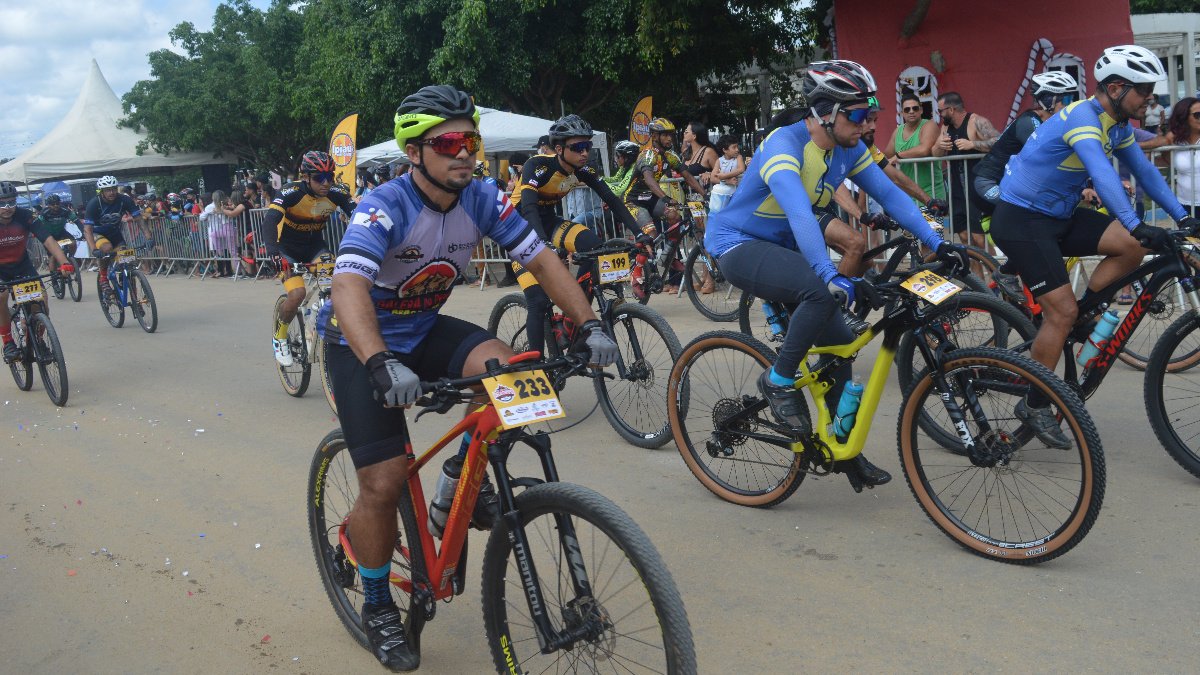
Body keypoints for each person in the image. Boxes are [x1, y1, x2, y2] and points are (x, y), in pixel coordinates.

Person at [318, 85, 617, 672]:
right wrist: (380, 364)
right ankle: (378, 603)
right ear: (414, 152)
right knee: (382, 482)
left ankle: (460, 480)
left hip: (424, 328)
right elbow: (348, 286)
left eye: (470, 140)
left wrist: (588, 324)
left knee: (511, 374)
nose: (465, 152)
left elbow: (541, 260)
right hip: (362, 344)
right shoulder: (385, 205)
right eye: (449, 142)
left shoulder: (482, 197)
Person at [705, 60, 966, 489]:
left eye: (869, 113)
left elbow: (891, 197)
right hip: (738, 242)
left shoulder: (847, 148)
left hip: (784, 245)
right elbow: (799, 214)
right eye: (859, 114)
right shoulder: (783, 147)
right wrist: (828, 273)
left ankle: (842, 450)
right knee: (817, 291)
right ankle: (778, 380)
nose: (867, 125)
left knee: (840, 348)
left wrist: (939, 241)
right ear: (826, 112)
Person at [991, 45, 1198, 447]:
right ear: (1117, 87)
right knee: (1061, 312)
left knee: (1129, 247)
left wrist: (1182, 216)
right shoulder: (1083, 120)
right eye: (1144, 90)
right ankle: (1034, 403)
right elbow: (1104, 177)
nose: (1149, 98)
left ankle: (1087, 310)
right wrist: (1138, 223)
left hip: (1059, 214)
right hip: (1022, 220)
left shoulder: (1117, 124)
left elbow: (1145, 174)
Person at [510, 114, 651, 355]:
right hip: (520, 229)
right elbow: (530, 208)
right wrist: (542, 244)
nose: (584, 152)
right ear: (559, 148)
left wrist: (640, 233)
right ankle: (532, 367)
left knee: (595, 249)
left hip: (549, 222)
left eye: (588, 146)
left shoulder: (583, 169)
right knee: (538, 300)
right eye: (578, 147)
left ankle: (571, 322)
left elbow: (612, 200)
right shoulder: (538, 165)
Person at [971, 71, 1079, 300]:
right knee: (1020, 217)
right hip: (986, 181)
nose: (1071, 105)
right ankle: (1006, 272)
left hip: (1007, 184)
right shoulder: (1029, 122)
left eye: (1073, 99)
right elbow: (1053, 156)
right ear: (1048, 100)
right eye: (1066, 100)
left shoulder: (1048, 122)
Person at [263, 150, 357, 366]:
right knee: (297, 294)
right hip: (287, 249)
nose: (325, 183)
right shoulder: (291, 192)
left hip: (315, 248)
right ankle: (280, 337)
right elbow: (270, 222)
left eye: (329, 177)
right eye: (319, 178)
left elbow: (359, 217)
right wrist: (273, 253)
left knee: (339, 288)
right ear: (305, 177)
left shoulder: (337, 192)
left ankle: (319, 314)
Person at [623, 118, 706, 294]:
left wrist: (706, 195)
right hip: (634, 200)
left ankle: (667, 257)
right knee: (651, 233)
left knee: (675, 217)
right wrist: (667, 198)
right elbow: (650, 181)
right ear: (654, 136)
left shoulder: (671, 155)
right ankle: (636, 273)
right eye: (665, 135)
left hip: (651, 199)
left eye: (671, 135)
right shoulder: (647, 155)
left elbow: (688, 177)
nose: (670, 139)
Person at [0, 182, 74, 363]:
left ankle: (38, 340)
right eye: (2, 203)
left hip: (22, 266)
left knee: (41, 303)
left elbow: (47, 240)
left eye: (11, 202)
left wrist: (64, 262)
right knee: (1, 296)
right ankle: (8, 341)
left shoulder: (25, 216)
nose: (8, 208)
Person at [932, 91, 999, 267]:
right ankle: (979, 286)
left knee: (979, 238)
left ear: (952, 109)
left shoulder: (976, 121)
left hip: (977, 187)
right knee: (963, 238)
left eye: (941, 111)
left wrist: (973, 144)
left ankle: (999, 278)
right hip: (957, 189)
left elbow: (999, 141)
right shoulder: (945, 127)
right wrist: (939, 146)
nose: (940, 115)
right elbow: (935, 154)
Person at [82, 175, 141, 298]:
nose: (112, 192)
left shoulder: (124, 200)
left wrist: (148, 236)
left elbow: (138, 218)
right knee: (107, 248)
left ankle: (136, 300)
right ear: (102, 191)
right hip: (98, 233)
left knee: (128, 264)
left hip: (115, 234)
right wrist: (94, 249)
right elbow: (87, 230)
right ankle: (103, 278)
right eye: (108, 190)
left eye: (114, 189)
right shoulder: (94, 203)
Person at [885, 91, 945, 206]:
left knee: (931, 225)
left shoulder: (929, 125)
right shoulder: (898, 131)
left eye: (915, 108)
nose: (911, 111)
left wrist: (898, 155)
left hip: (930, 194)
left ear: (921, 110)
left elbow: (924, 149)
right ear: (902, 113)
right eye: (907, 109)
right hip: (906, 196)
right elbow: (887, 156)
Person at [1166, 96, 1200, 216]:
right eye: (1197, 115)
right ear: (1184, 117)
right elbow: (1165, 160)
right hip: (1185, 204)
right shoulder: (1176, 141)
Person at [33, 194, 81, 273]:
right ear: (48, 205)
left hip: (61, 232)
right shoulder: (44, 213)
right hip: (49, 235)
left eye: (57, 203)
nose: (55, 206)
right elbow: (38, 225)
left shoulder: (65, 210)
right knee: (52, 257)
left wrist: (83, 232)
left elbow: (77, 221)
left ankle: (71, 258)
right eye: (52, 204)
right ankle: (54, 280)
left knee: (73, 243)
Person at [708, 135, 745, 216]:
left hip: (738, 193)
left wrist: (723, 176)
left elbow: (741, 169)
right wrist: (727, 181)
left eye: (737, 147)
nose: (737, 150)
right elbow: (713, 178)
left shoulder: (739, 157)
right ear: (725, 150)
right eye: (734, 147)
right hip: (725, 195)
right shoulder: (719, 161)